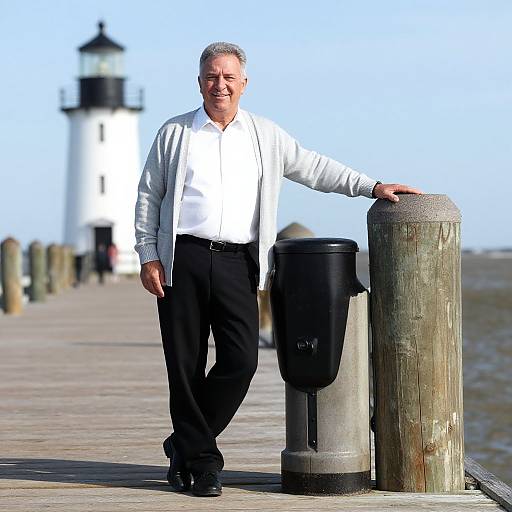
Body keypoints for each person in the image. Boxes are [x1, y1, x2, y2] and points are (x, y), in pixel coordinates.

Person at [134, 42, 421, 497]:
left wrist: (370, 185)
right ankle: (204, 464)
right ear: (199, 82)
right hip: (181, 258)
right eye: (211, 76)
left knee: (241, 361)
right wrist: (148, 253)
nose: (220, 84)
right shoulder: (175, 133)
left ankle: (185, 443)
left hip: (237, 261)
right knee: (184, 366)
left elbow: (313, 167)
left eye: (228, 77)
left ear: (243, 83)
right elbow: (149, 195)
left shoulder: (264, 135)